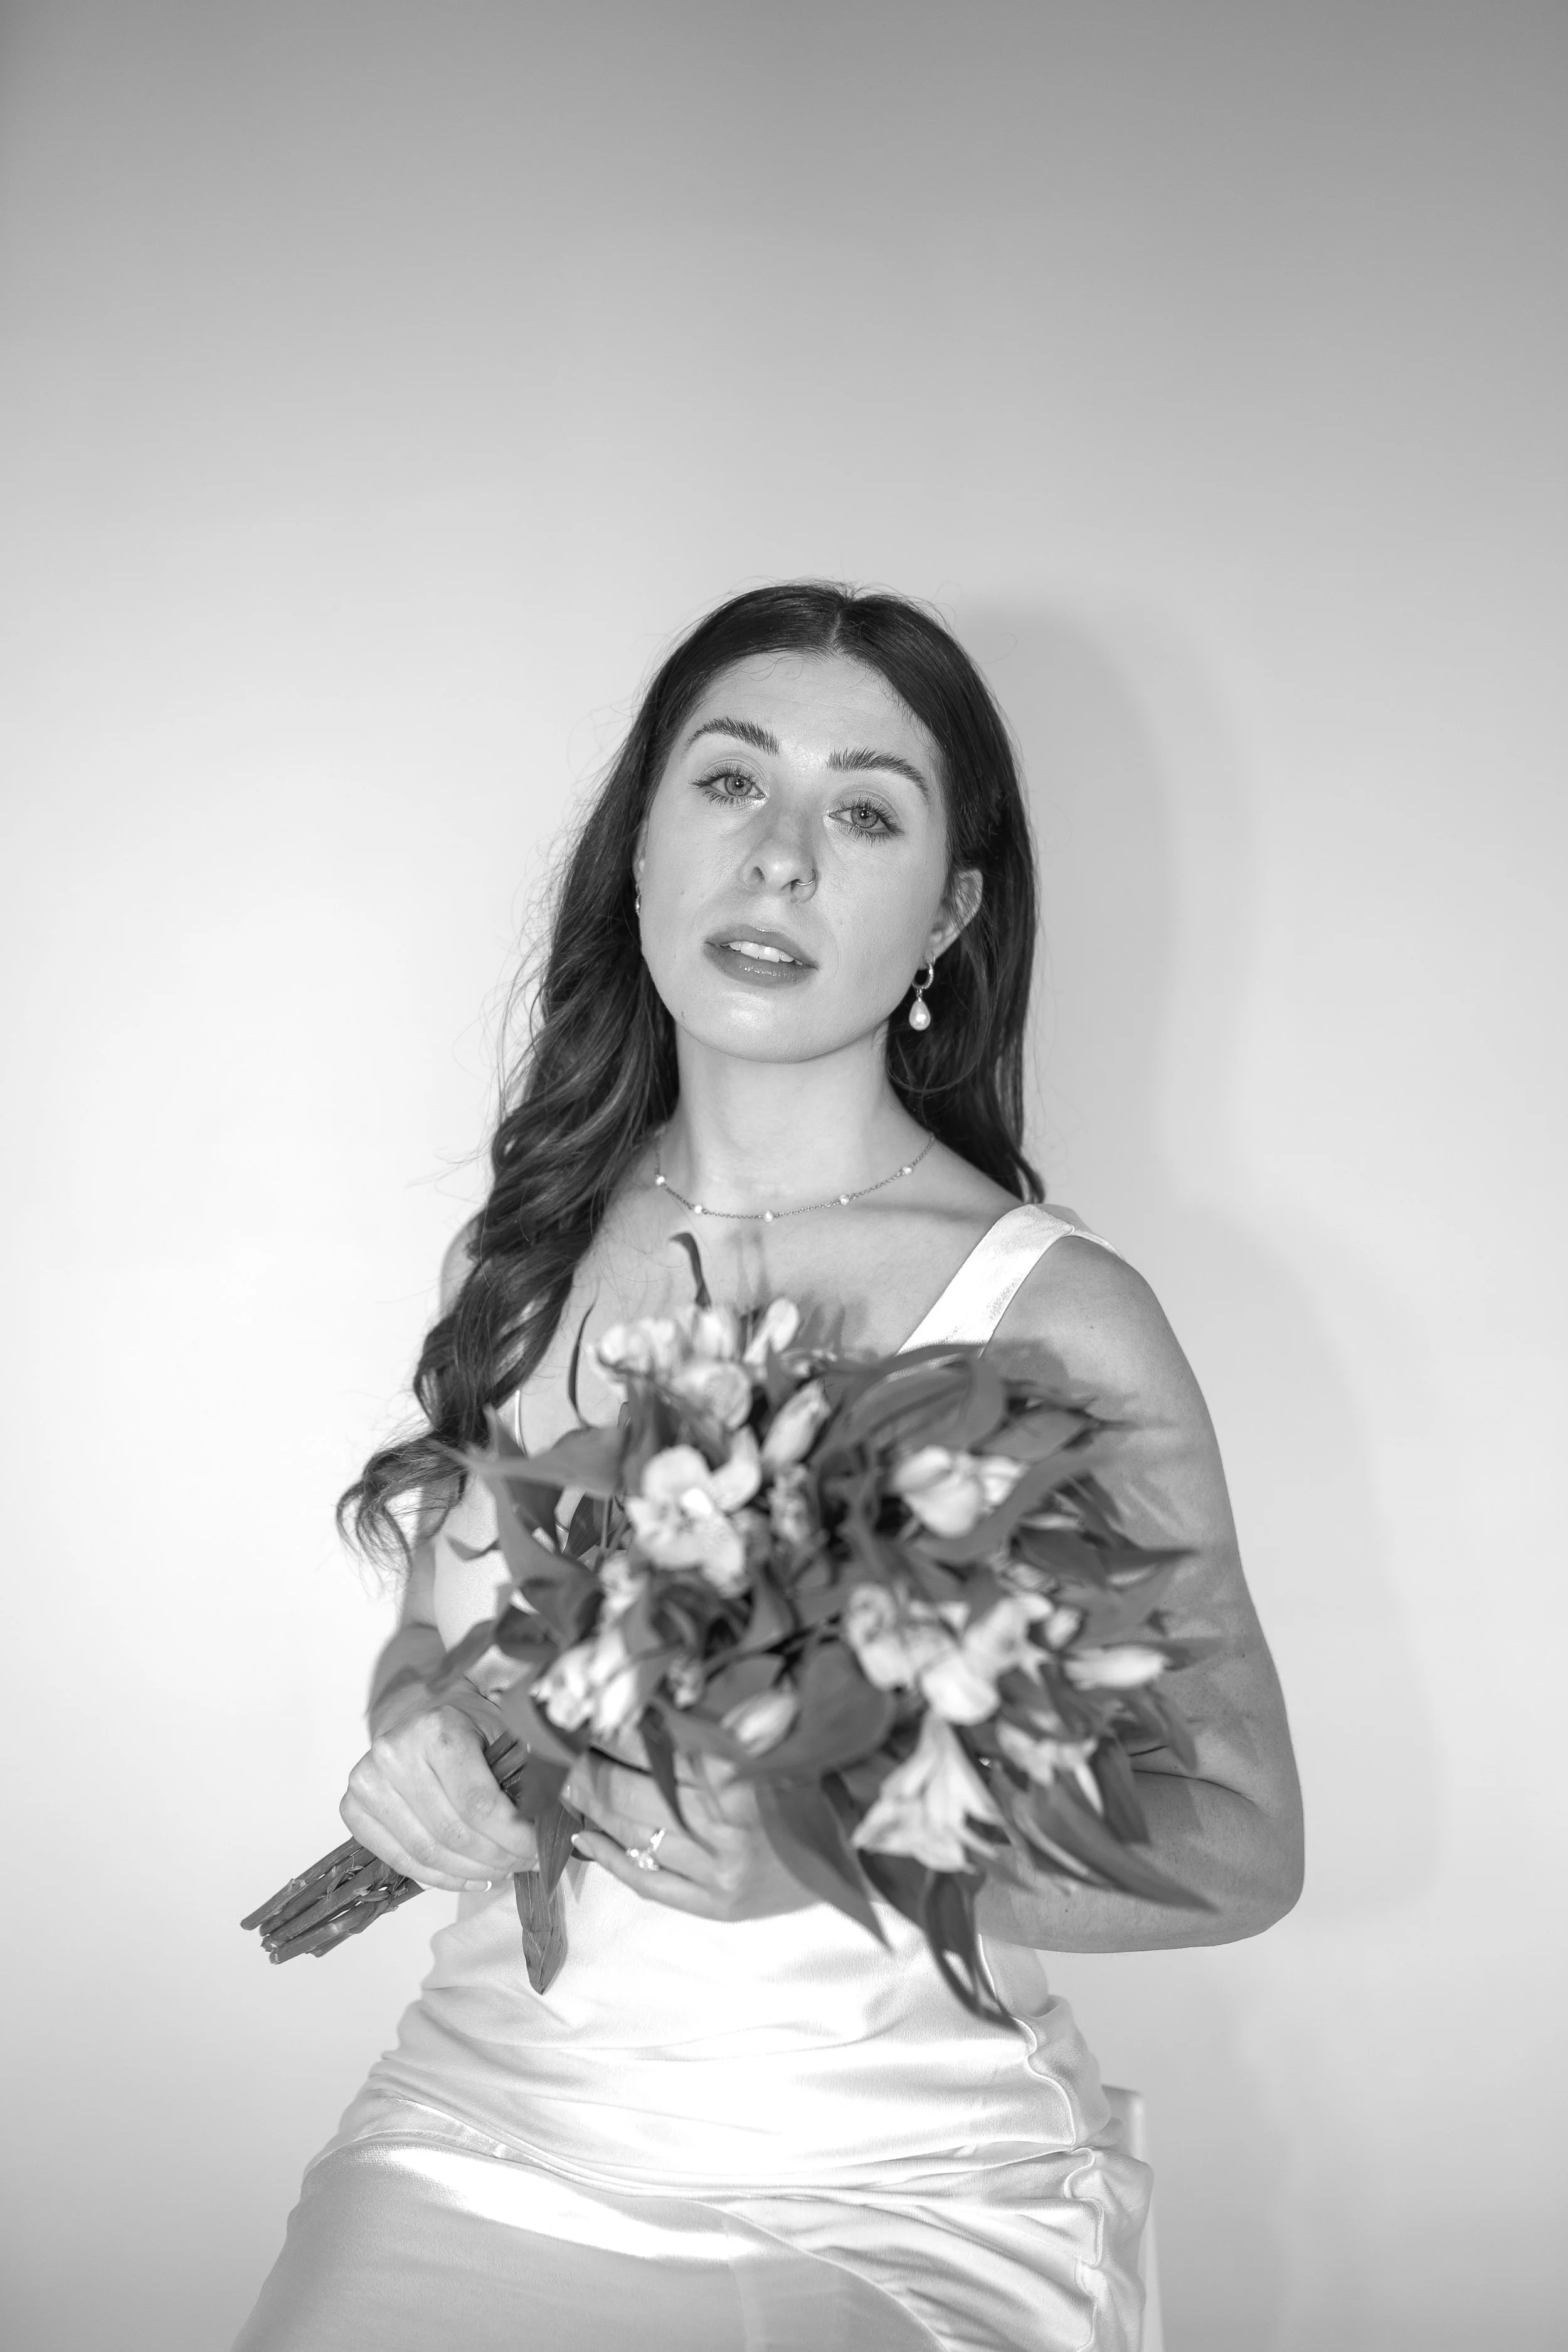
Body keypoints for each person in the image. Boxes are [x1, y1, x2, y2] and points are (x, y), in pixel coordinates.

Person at [236, 582, 1303, 2351]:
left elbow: (1240, 1842)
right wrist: (416, 1733)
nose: (782, 856)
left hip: (898, 2195)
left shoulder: (1056, 1317)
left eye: (865, 809)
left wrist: (825, 1852)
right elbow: (443, 1640)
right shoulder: (529, 1247)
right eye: (730, 784)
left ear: (950, 911)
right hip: (486, 2120)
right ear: (640, 844)